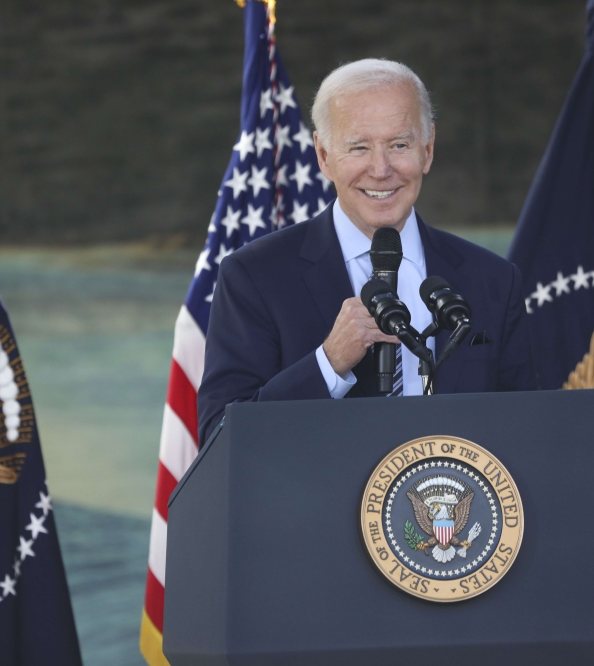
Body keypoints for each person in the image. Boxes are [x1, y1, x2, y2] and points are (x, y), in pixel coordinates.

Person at [197, 59, 537, 445]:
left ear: (427, 150)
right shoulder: (254, 276)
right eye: (358, 147)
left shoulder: (494, 280)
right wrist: (329, 362)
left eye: (399, 145)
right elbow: (219, 441)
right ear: (324, 156)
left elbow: (525, 434)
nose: (380, 169)